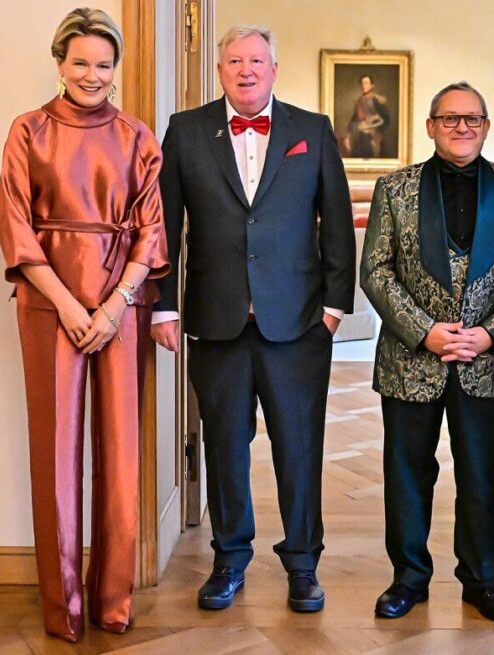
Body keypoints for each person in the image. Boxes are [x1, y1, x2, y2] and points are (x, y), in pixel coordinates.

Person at [150, 25, 355, 613]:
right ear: (220, 70)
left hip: (298, 324)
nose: (246, 70)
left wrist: (335, 308)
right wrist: (164, 303)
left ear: (274, 69)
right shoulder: (186, 131)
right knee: (223, 447)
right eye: (235, 60)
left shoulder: (310, 130)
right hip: (215, 323)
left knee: (299, 447)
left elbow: (336, 223)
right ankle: (229, 559)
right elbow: (166, 226)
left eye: (256, 60)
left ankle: (302, 564)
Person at [0, 7, 169, 643]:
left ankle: (112, 601)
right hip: (48, 304)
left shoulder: (136, 137)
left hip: (120, 304)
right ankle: (60, 607)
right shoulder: (28, 131)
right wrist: (69, 305)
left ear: (115, 69)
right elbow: (14, 224)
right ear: (59, 63)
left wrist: (115, 304)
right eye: (80, 62)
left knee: (121, 455)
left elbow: (152, 233)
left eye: (103, 63)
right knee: (56, 453)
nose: (92, 74)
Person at [361, 82, 494, 622]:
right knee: (406, 472)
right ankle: (408, 578)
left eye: (472, 118)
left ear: (486, 126)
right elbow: (375, 269)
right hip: (410, 359)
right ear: (430, 126)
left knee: (480, 473)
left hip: (488, 361)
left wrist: (490, 333)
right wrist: (423, 330)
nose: (461, 127)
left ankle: (482, 580)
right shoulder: (395, 189)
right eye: (450, 118)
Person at [344, 74, 389, 158]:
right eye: (362, 83)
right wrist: (348, 134)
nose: (363, 86)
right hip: (361, 136)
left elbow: (386, 119)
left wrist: (373, 128)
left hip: (375, 137)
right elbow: (354, 119)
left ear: (372, 85)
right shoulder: (359, 101)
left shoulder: (377, 100)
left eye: (366, 83)